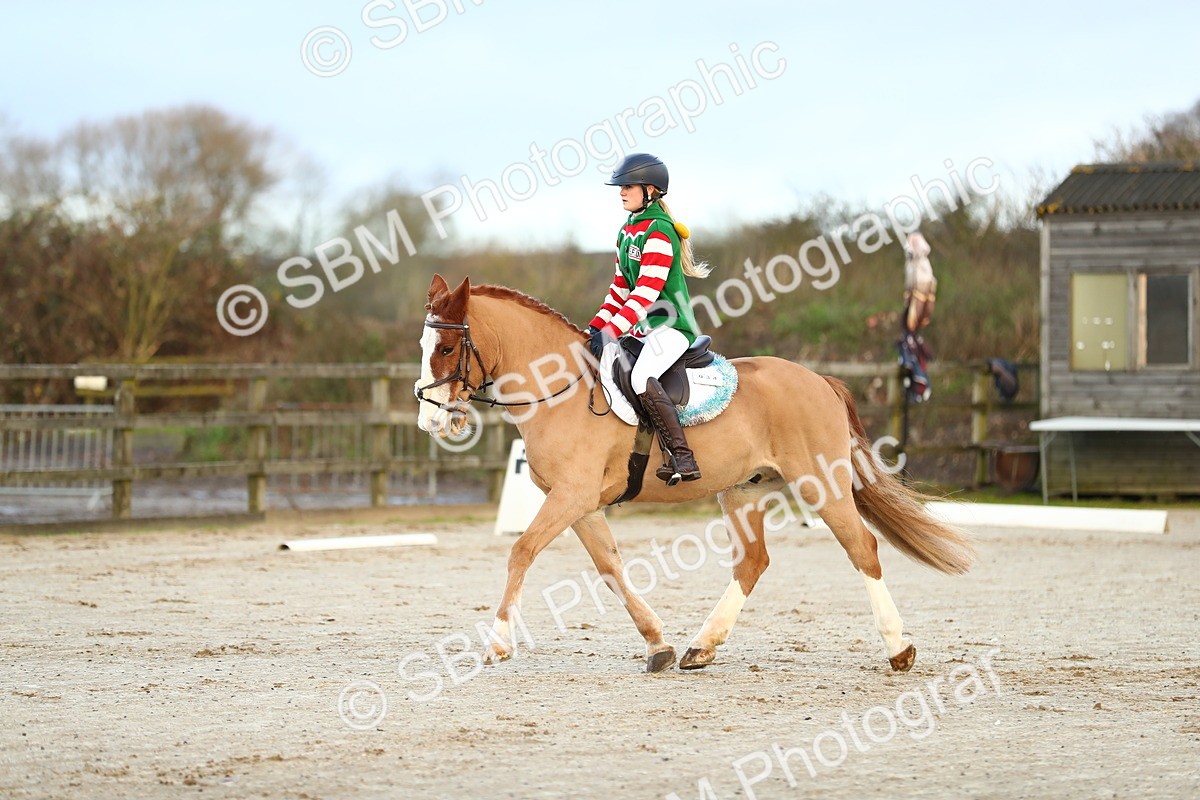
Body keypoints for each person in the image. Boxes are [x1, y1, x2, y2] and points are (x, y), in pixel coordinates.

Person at [585, 153, 709, 483]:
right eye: (620, 186)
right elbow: (620, 290)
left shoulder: (659, 231)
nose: (621, 192)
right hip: (642, 329)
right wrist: (594, 328)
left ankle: (683, 458)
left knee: (641, 378)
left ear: (650, 190)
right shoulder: (627, 231)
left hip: (670, 327)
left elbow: (645, 294)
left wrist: (611, 330)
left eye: (627, 186)